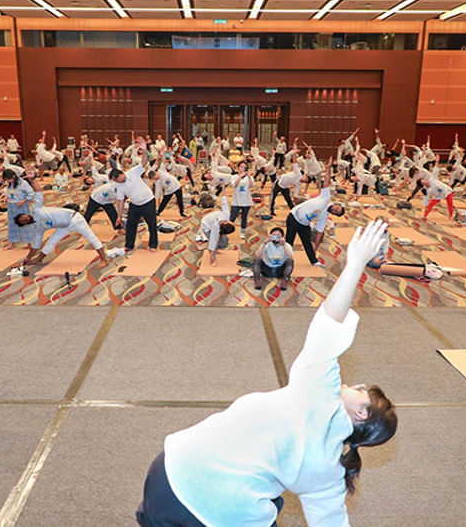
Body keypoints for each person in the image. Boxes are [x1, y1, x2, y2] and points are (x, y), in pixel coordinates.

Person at [136, 219, 398, 527]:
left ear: (361, 413)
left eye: (361, 390)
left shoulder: (319, 393)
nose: (353, 384)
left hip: (166, 477)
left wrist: (354, 266)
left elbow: (330, 323)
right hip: (217, 510)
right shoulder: (329, 469)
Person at [286, 165, 345, 266]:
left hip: (304, 224)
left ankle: (314, 261)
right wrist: (329, 168)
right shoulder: (326, 198)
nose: (335, 210)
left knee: (307, 243)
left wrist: (316, 247)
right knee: (289, 241)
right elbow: (326, 181)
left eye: (337, 212)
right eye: (337, 208)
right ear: (336, 204)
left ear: (334, 214)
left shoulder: (324, 217)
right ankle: (285, 260)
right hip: (293, 217)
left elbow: (319, 233)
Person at [17, 205, 109, 266]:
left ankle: (103, 260)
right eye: (22, 221)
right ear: (25, 224)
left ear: (26, 214)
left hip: (75, 219)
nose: (24, 218)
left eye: (23, 216)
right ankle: (39, 260)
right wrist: (28, 257)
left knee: (91, 237)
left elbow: (38, 191)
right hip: (64, 226)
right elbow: (36, 245)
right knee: (51, 241)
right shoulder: (38, 227)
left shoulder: (37, 211)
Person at [115, 158, 161, 253]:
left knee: (151, 224)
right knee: (130, 225)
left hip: (148, 202)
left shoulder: (132, 172)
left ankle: (153, 245)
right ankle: (129, 245)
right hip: (135, 204)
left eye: (118, 179)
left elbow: (144, 162)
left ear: (121, 174)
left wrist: (144, 150)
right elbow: (120, 201)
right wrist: (119, 216)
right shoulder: (118, 185)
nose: (118, 182)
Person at [253, 227, 295, 292]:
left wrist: (284, 245)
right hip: (267, 270)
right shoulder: (267, 244)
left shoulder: (286, 245)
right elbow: (258, 255)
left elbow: (290, 256)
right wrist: (264, 243)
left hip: (280, 271)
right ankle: (257, 280)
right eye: (273, 235)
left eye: (278, 236)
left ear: (282, 237)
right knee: (257, 260)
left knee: (290, 261)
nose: (275, 238)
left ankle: (284, 280)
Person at [200, 196, 236, 265]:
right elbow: (212, 243)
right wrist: (211, 256)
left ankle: (216, 249)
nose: (232, 222)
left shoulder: (226, 214)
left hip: (213, 221)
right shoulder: (215, 228)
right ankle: (213, 259)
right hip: (206, 225)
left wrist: (223, 191)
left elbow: (225, 203)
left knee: (224, 242)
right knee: (213, 243)